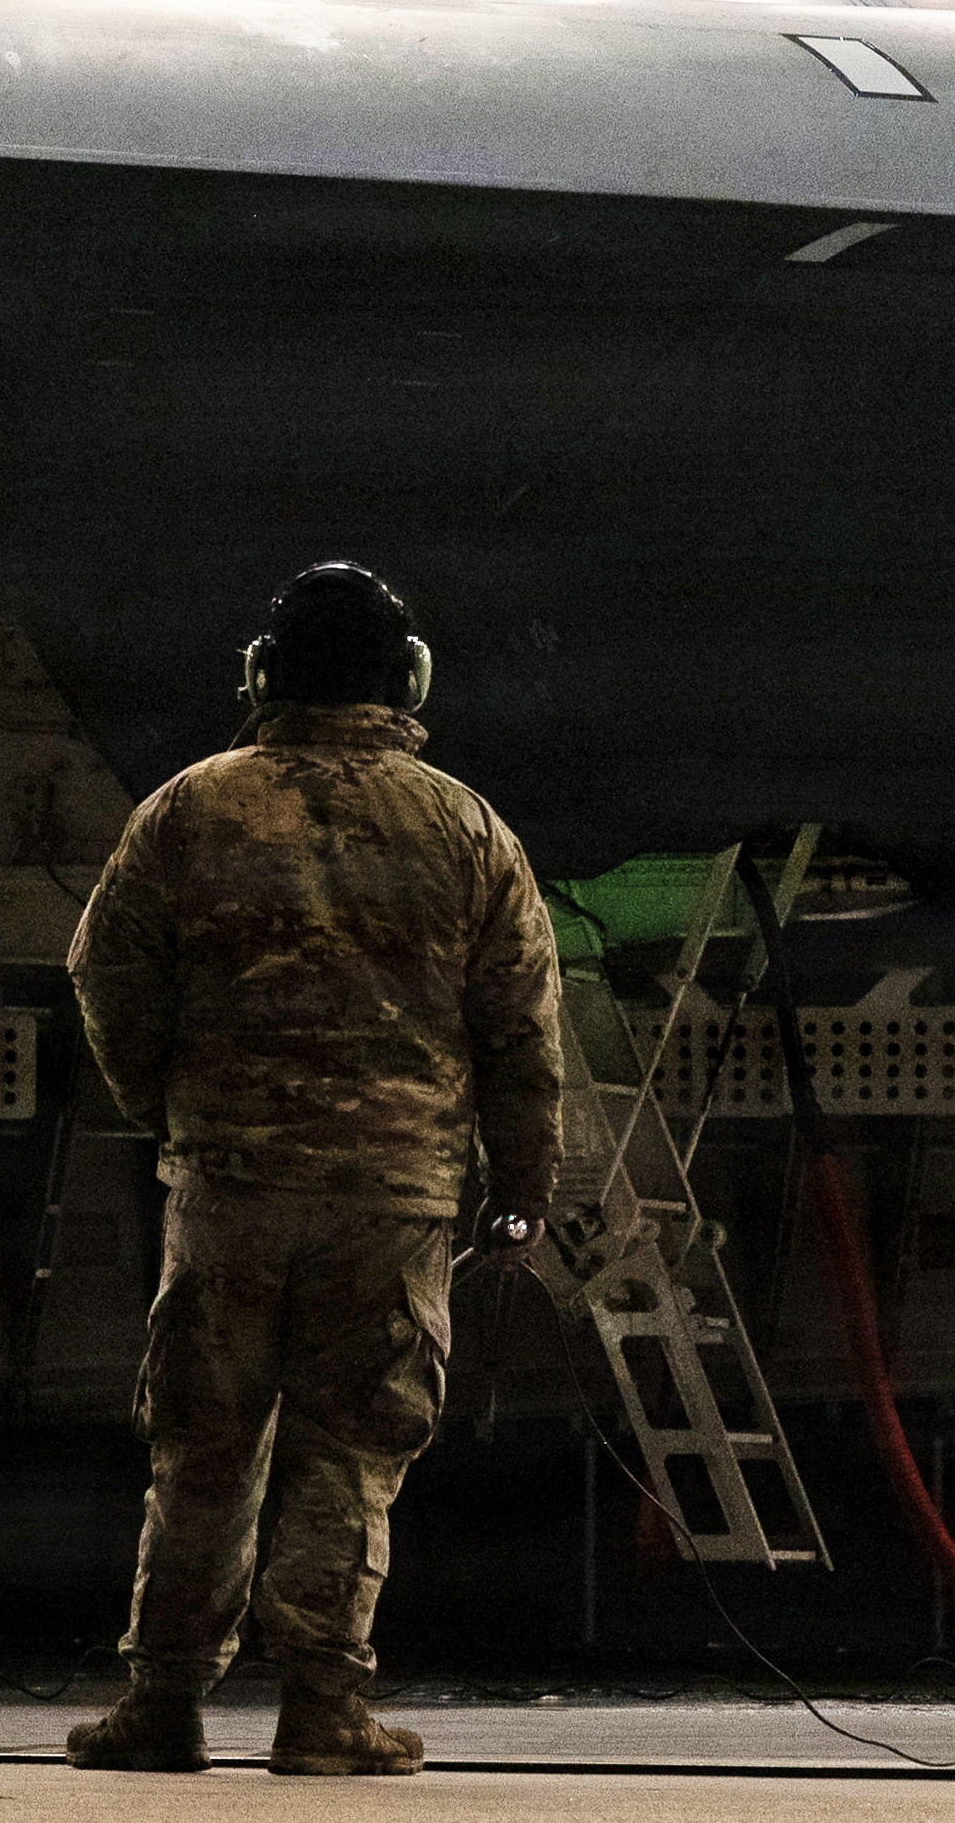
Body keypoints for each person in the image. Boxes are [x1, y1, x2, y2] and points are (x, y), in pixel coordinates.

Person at [60, 562, 565, 1777]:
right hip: (392, 1200)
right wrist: (522, 1187)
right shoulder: (465, 827)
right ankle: (321, 1713)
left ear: (260, 674)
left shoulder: (186, 809)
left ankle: (163, 1705)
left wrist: (166, 1107)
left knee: (203, 1446)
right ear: (408, 681)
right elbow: (522, 1030)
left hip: (226, 1188)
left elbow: (105, 976)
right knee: (351, 1449)